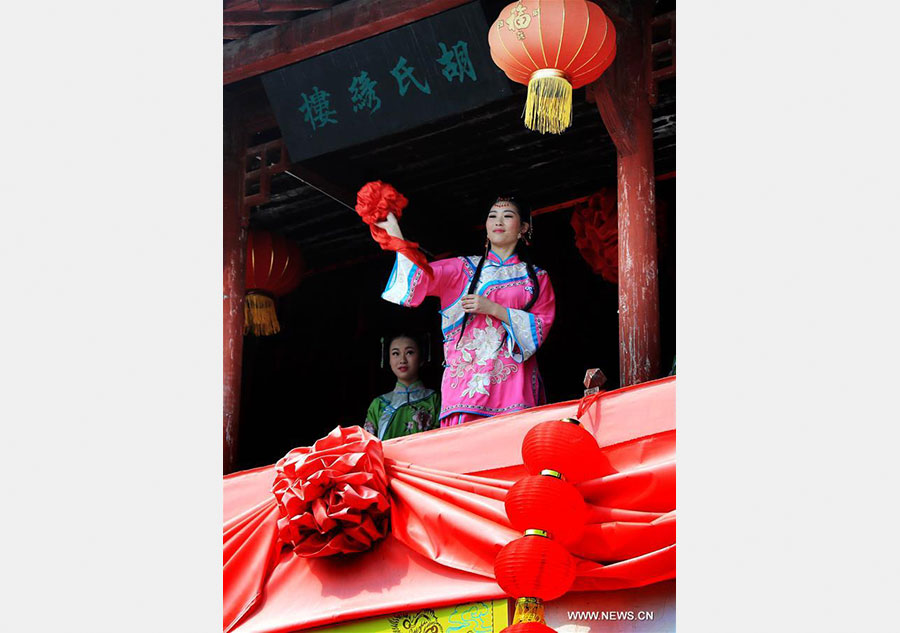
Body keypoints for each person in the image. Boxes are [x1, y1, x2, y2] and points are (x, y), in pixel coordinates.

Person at [377, 196, 556, 427]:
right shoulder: (462, 269)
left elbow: (540, 325)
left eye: (507, 216)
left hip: (513, 384)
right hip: (466, 388)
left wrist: (493, 309)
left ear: (523, 228)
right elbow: (420, 277)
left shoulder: (537, 278)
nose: (498, 221)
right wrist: (396, 235)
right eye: (492, 216)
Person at [364, 334, 441, 440]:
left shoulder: (435, 399)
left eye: (409, 352)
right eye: (396, 353)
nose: (402, 360)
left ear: (421, 358)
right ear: (389, 360)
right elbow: (369, 445)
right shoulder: (379, 404)